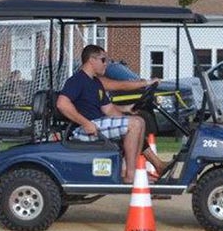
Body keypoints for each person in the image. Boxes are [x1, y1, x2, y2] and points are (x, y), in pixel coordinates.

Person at [56, 45, 168, 183]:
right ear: (91, 60)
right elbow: (62, 104)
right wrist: (85, 123)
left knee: (138, 122)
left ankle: (134, 171)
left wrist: (127, 111)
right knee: (135, 123)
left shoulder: (95, 83)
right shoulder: (77, 80)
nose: (106, 64)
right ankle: (130, 176)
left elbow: (109, 110)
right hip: (84, 129)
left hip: (98, 125)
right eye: (103, 60)